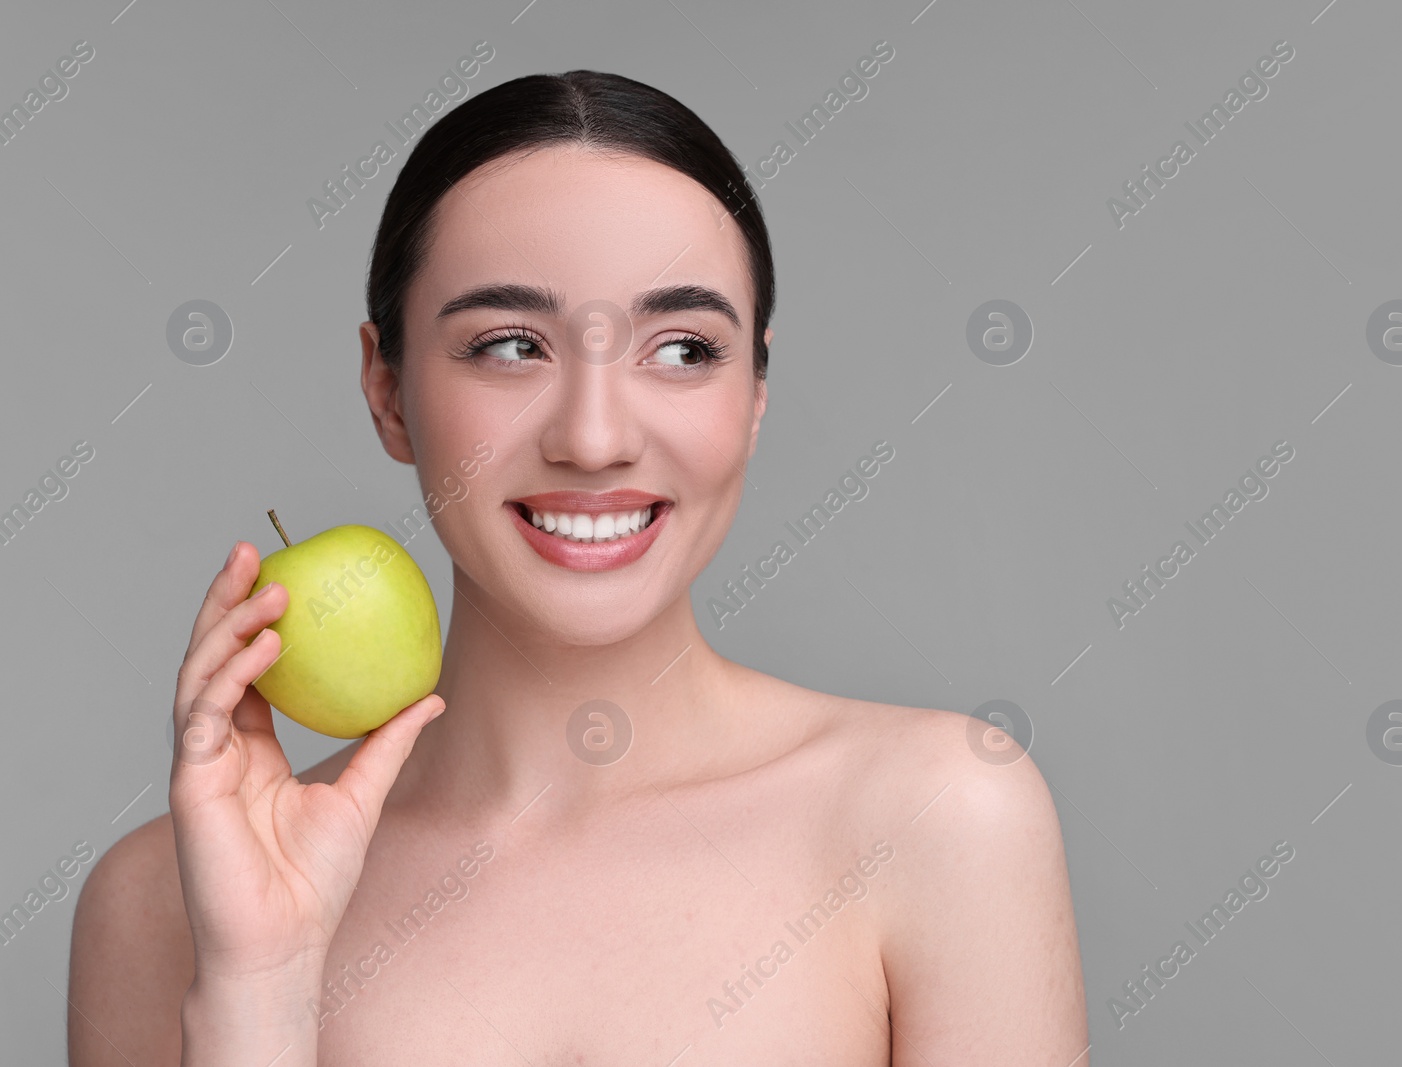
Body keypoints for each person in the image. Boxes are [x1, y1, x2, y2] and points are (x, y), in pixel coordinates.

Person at [67, 70, 1087, 1065]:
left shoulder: (942, 816)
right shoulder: (168, 901)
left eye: (683, 348)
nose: (594, 438)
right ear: (386, 389)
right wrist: (256, 991)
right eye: (511, 344)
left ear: (756, 394)